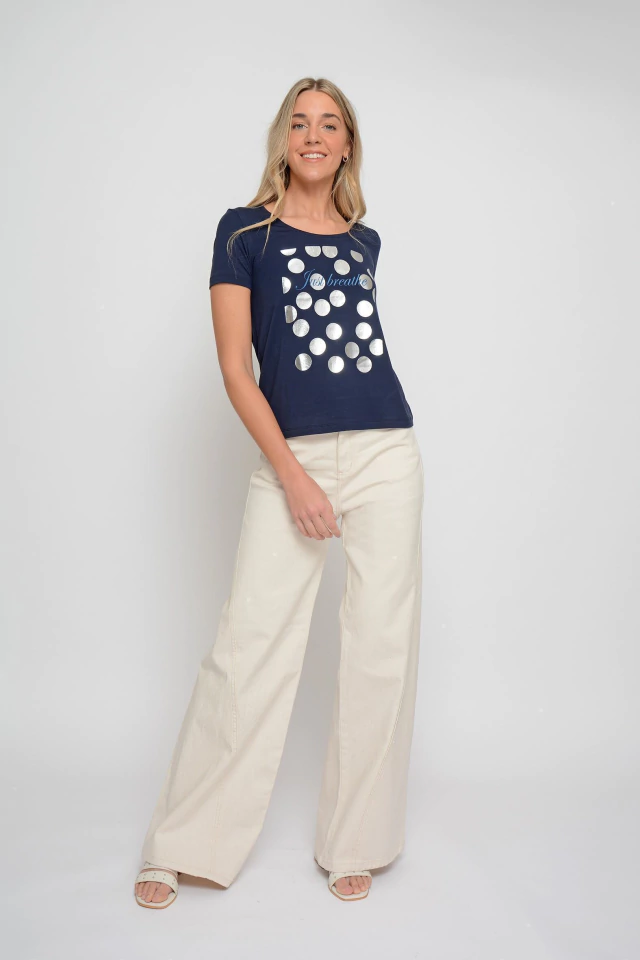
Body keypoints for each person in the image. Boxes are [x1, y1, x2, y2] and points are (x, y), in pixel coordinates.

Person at [134, 76, 424, 907]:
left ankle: (356, 839)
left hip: (387, 450)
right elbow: (237, 369)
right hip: (291, 455)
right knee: (248, 647)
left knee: (380, 650)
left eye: (330, 124)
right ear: (283, 140)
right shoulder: (243, 233)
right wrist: (293, 475)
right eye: (300, 123)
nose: (314, 135)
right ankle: (182, 842)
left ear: (347, 144)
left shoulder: (365, 241)